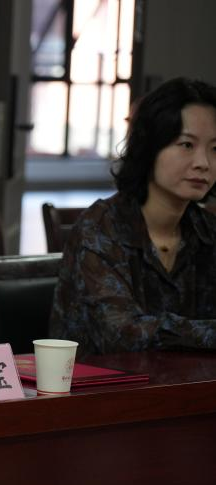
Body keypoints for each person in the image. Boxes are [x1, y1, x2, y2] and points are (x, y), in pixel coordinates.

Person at [50, 77, 216, 355]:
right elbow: (122, 334)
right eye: (187, 145)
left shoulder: (207, 230)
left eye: (215, 149)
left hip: (186, 381)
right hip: (97, 381)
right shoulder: (101, 229)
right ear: (149, 148)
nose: (204, 163)